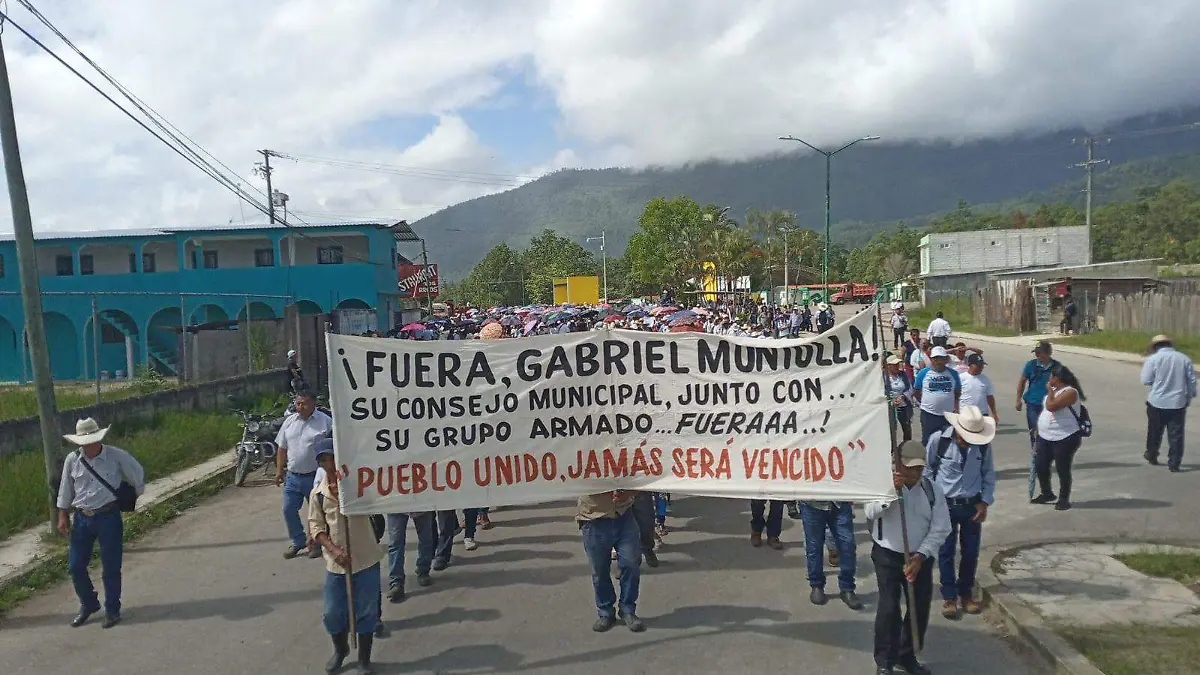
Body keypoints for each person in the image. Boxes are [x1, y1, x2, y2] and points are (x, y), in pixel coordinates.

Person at [866, 441, 951, 675]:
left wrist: (920, 557)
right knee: (889, 607)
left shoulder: (933, 490)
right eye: (909, 467)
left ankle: (907, 655)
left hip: (919, 557)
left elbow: (941, 527)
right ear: (897, 463)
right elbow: (870, 512)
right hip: (887, 555)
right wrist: (890, 494)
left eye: (919, 468)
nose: (914, 473)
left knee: (919, 607)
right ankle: (885, 660)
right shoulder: (882, 485)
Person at [57, 418, 146, 628]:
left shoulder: (115, 455)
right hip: (81, 518)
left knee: (111, 567)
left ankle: (112, 610)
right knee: (75, 566)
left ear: (99, 439)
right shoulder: (73, 459)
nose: (88, 445)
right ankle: (89, 603)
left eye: (92, 441)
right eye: (84, 442)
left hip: (108, 517)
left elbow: (137, 473)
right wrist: (62, 515)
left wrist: (133, 495)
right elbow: (65, 488)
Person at [309, 444, 384, 674]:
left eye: (332, 459)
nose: (329, 465)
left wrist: (352, 488)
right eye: (323, 461)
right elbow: (316, 527)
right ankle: (340, 650)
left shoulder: (359, 485)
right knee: (332, 613)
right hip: (336, 564)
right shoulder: (318, 494)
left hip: (365, 558)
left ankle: (364, 660)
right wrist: (334, 550)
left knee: (367, 611)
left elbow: (379, 500)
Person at [926, 405, 996, 620]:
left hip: (972, 506)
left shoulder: (983, 447)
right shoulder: (939, 440)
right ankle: (949, 597)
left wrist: (984, 502)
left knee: (970, 552)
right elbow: (927, 470)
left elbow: (988, 475)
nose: (968, 440)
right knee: (946, 552)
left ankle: (966, 594)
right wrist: (931, 501)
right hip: (945, 505)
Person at [275, 389, 333, 559]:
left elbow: (333, 448)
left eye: (304, 403)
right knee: (288, 509)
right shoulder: (289, 422)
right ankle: (298, 540)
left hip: (316, 476)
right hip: (293, 476)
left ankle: (316, 543)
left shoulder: (325, 422)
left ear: (313, 403)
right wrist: (279, 470)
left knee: (317, 513)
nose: (300, 407)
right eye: (298, 403)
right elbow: (282, 448)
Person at [577, 490, 645, 632]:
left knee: (631, 564)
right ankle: (605, 611)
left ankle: (627, 609)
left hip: (624, 516)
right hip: (593, 518)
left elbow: (641, 481)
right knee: (599, 571)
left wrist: (630, 493)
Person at [1032, 365, 1086, 511]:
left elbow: (1051, 406)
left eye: (1051, 376)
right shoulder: (1055, 391)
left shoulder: (1071, 392)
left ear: (1057, 378)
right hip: (1045, 436)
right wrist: (1039, 428)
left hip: (1065, 436)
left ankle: (1064, 499)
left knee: (1063, 468)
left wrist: (1050, 391)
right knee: (1041, 465)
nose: (1049, 379)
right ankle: (1047, 493)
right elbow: (1046, 411)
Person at [1142, 334, 1196, 472]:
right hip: (1177, 403)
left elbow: (1146, 380)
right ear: (1170, 345)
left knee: (1154, 431)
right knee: (1176, 435)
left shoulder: (1153, 359)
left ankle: (1152, 454)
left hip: (1156, 402)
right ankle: (1174, 463)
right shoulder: (1184, 359)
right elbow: (1191, 381)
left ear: (1155, 347)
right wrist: (1189, 396)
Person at [799, 500, 862, 610]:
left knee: (847, 545)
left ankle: (847, 588)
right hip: (811, 504)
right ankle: (816, 585)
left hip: (840, 503)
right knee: (813, 547)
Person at [1017, 341, 1060, 500]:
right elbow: (1022, 382)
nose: (1037, 355)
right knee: (1036, 438)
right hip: (1033, 405)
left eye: (1040, 353)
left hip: (1049, 407)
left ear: (1048, 353)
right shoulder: (1031, 365)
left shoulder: (1057, 367)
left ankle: (1045, 456)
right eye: (1036, 352)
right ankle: (1038, 455)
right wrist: (1018, 399)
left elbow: (1064, 386)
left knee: (1049, 438)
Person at [913, 346, 961, 445]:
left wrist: (956, 408)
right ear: (931, 359)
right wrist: (926, 402)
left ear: (946, 360)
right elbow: (916, 391)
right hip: (929, 414)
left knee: (947, 441)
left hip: (948, 415)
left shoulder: (953, 374)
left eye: (941, 358)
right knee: (928, 441)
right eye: (936, 358)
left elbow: (957, 392)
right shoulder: (923, 373)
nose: (938, 361)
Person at [958, 354, 998, 422]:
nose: (981, 368)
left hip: (982, 414)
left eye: (982, 366)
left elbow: (990, 397)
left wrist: (994, 413)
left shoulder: (986, 379)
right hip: (965, 413)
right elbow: (954, 396)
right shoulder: (960, 378)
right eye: (978, 365)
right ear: (969, 364)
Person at [885, 355, 915, 441]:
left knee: (907, 428)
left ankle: (907, 446)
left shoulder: (903, 374)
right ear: (888, 366)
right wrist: (890, 400)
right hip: (890, 407)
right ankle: (892, 447)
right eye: (894, 365)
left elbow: (910, 389)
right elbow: (881, 391)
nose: (897, 366)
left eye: (897, 364)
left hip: (904, 405)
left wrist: (903, 396)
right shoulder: (884, 377)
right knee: (891, 429)